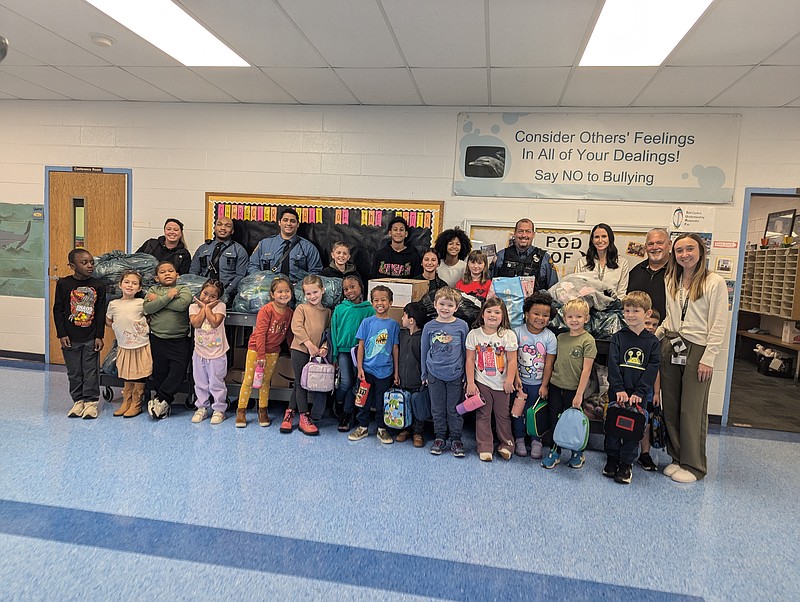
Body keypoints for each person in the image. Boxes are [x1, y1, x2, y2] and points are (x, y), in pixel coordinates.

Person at [656, 233, 728, 484]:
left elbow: (719, 323)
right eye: (679, 250)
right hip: (672, 343)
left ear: (700, 251)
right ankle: (676, 458)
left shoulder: (714, 282)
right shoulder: (671, 279)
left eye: (690, 249)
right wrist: (654, 337)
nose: (684, 254)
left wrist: (709, 357)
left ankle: (694, 465)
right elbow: (670, 317)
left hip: (698, 348)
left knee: (691, 409)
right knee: (672, 405)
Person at [603, 291, 661, 485]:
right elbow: (613, 365)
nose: (630, 315)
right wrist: (618, 388)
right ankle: (611, 459)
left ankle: (626, 464)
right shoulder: (618, 338)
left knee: (632, 430)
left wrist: (639, 393)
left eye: (636, 310)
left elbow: (652, 369)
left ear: (647, 313)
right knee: (613, 428)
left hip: (638, 397)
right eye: (627, 310)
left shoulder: (652, 342)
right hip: (617, 393)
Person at [541, 297, 596, 470]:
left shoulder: (588, 341)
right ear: (564, 318)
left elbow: (586, 370)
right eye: (570, 317)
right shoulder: (561, 337)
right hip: (557, 386)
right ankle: (554, 451)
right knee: (554, 419)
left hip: (575, 390)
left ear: (586, 319)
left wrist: (579, 394)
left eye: (579, 317)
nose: (574, 320)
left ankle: (577, 453)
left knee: (574, 422)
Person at [53, 248, 106, 419]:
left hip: (90, 336)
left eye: (91, 262)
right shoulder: (63, 284)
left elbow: (100, 312)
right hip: (70, 336)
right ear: (72, 266)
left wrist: (99, 335)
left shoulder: (99, 285)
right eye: (84, 263)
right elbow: (58, 310)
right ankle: (78, 401)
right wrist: (61, 334)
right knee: (74, 371)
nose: (90, 265)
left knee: (91, 370)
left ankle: (91, 402)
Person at [234, 276, 294, 428]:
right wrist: (260, 354)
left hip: (273, 352)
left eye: (287, 291)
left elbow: (288, 334)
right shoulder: (266, 310)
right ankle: (241, 411)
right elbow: (260, 333)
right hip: (256, 350)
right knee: (248, 381)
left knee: (265, 382)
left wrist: (293, 350)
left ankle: (263, 410)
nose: (284, 294)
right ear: (272, 294)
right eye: (280, 291)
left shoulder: (289, 312)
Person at [465, 297, 518, 462]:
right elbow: (469, 360)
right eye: (489, 311)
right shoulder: (474, 335)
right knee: (483, 415)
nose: (492, 315)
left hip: (502, 384)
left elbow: (512, 360)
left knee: (503, 416)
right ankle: (484, 446)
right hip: (482, 383)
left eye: (497, 312)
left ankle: (507, 445)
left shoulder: (508, 335)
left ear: (503, 316)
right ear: (482, 314)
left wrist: (509, 380)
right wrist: (471, 382)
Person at [348, 285, 400, 444]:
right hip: (367, 370)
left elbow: (394, 348)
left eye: (383, 300)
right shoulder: (367, 322)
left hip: (386, 371)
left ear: (390, 302)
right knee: (363, 400)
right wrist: (360, 368)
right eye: (376, 300)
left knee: (381, 402)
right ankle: (362, 427)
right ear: (371, 302)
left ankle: (382, 429)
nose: (380, 303)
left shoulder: (394, 325)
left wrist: (396, 372)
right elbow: (361, 346)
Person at [421, 287, 470, 457]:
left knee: (454, 409)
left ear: (456, 307)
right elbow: (424, 351)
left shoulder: (462, 326)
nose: (445, 308)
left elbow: (466, 352)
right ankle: (440, 437)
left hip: (456, 375)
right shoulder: (429, 327)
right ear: (435, 305)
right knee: (437, 409)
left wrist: (466, 376)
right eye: (442, 304)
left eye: (450, 305)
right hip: (434, 374)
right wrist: (424, 374)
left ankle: (456, 439)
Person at [281, 274, 331, 436]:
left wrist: (324, 347)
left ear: (322, 290)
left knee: (302, 383)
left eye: (315, 292)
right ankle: (304, 417)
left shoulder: (328, 312)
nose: (312, 296)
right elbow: (297, 328)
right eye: (308, 294)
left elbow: (328, 333)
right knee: (300, 383)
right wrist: (309, 344)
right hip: (300, 350)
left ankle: (289, 413)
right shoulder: (302, 309)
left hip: (317, 354)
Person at [143, 261, 192, 420]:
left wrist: (159, 300)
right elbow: (148, 308)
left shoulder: (183, 289)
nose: (167, 273)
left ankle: (160, 399)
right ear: (157, 278)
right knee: (160, 373)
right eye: (163, 272)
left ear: (177, 275)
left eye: (171, 271)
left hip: (179, 340)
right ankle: (163, 406)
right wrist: (168, 296)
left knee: (178, 371)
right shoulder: (152, 289)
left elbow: (182, 305)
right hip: (157, 338)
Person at [513, 291, 557, 460]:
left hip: (538, 384)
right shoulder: (517, 333)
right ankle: (519, 439)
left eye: (545, 315)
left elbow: (549, 363)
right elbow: (512, 359)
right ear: (526, 314)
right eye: (536, 313)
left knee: (536, 413)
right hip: (520, 383)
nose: (540, 318)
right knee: (518, 412)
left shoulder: (550, 337)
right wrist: (516, 379)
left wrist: (545, 385)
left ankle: (536, 440)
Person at [330, 275, 375, 432]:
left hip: (360, 353)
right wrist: (334, 354)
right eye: (346, 289)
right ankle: (339, 402)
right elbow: (334, 332)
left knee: (356, 384)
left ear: (360, 287)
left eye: (352, 287)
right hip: (343, 351)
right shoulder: (340, 309)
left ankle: (348, 413)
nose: (349, 291)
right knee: (346, 383)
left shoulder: (369, 309)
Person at [105, 270, 151, 418]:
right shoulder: (113, 304)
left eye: (134, 283)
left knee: (139, 373)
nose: (130, 285)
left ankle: (136, 404)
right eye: (127, 282)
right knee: (127, 373)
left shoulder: (141, 303)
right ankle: (127, 401)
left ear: (139, 288)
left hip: (141, 344)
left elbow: (149, 317)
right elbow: (108, 320)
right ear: (120, 285)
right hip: (124, 345)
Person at [188, 280, 230, 425]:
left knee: (216, 382)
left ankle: (219, 409)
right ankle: (202, 407)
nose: (207, 298)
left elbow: (214, 322)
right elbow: (196, 323)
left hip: (217, 353)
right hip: (199, 353)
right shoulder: (193, 307)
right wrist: (203, 308)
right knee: (200, 382)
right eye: (205, 294)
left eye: (212, 296)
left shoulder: (221, 307)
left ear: (218, 298)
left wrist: (207, 308)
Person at [248, 208, 323, 283]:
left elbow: (315, 272)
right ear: (279, 223)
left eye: (292, 221)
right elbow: (253, 266)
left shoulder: (308, 247)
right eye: (285, 220)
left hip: (297, 289)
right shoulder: (264, 244)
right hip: (269, 287)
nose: (289, 224)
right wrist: (261, 280)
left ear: (298, 224)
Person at [190, 215, 248, 303]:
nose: (223, 228)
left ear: (232, 231)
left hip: (228, 298)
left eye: (227, 226)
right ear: (214, 228)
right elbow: (193, 271)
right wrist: (201, 292)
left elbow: (240, 275)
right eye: (219, 224)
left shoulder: (239, 251)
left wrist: (224, 293)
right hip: (202, 297)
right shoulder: (202, 249)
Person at [492, 218, 558, 291]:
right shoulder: (501, 256)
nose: (524, 235)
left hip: (535, 301)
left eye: (528, 231)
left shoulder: (544, 258)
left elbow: (553, 290)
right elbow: (490, 285)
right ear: (515, 233)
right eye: (520, 231)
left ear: (533, 234)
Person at [396, 302, 428, 448]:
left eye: (404, 315)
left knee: (417, 405)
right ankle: (405, 429)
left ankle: (418, 432)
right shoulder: (401, 335)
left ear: (411, 320)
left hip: (417, 380)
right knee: (404, 405)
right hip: (402, 378)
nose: (401, 318)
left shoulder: (423, 337)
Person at [574, 223, 630, 298]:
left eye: (604, 236)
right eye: (597, 237)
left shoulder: (622, 263)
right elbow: (578, 288)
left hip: (613, 307)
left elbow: (621, 294)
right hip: (588, 307)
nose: (600, 240)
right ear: (592, 240)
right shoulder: (583, 261)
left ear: (610, 238)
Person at [628, 228, 672, 323]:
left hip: (668, 333)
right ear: (645, 247)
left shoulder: (680, 271)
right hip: (638, 331)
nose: (655, 247)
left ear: (669, 245)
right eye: (650, 244)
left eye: (659, 243)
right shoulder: (636, 271)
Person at [637, 308, 662, 472]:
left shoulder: (655, 344)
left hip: (648, 391)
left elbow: (656, 370)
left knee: (646, 423)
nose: (651, 327)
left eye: (654, 324)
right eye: (647, 323)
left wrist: (657, 392)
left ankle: (645, 454)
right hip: (631, 387)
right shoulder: (631, 339)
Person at [372, 215, 422, 279]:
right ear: (390, 233)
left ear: (406, 234)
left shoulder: (414, 257)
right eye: (395, 229)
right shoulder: (380, 255)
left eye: (401, 230)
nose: (398, 232)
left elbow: (417, 282)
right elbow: (373, 279)